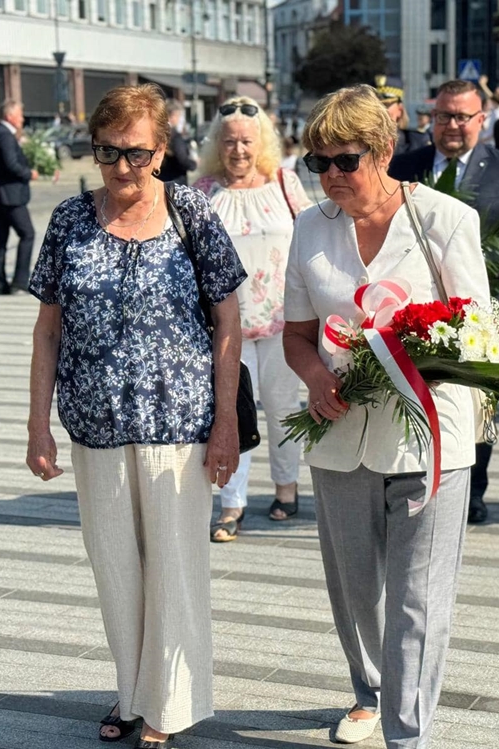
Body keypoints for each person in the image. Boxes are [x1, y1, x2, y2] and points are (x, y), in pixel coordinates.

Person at [25, 84, 246, 748]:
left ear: (162, 149)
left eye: (137, 153)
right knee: (116, 567)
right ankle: (131, 691)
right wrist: (37, 424)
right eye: (108, 152)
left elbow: (229, 321)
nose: (122, 167)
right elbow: (47, 330)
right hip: (94, 426)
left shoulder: (189, 211)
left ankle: (165, 707)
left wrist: (226, 423)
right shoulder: (70, 219)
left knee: (174, 567)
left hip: (178, 424)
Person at [284, 84, 490, 747]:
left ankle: (408, 734)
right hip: (339, 435)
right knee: (356, 592)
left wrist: (415, 358)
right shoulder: (310, 227)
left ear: (383, 151)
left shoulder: (445, 220)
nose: (331, 175)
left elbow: (477, 333)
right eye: (319, 162)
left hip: (432, 436)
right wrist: (317, 376)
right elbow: (297, 334)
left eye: (345, 160)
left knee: (418, 599)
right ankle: (369, 691)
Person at [389, 78, 499, 526]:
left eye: (462, 117)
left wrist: (479, 255)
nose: (453, 125)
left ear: (482, 119)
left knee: (478, 402)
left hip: (486, 305)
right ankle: (414, 482)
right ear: (432, 119)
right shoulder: (405, 166)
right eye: (444, 116)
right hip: (418, 309)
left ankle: (473, 492)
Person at [193, 95, 311, 540]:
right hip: (227, 327)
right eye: (229, 142)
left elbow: (310, 238)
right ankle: (232, 503)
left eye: (246, 141)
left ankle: (286, 488)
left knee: (283, 409)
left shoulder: (284, 182)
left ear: (261, 143)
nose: (238, 150)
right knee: (233, 412)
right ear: (216, 144)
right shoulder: (203, 191)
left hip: (284, 322)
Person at [0, 100, 38, 295]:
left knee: (0, 238)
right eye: (20, 115)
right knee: (27, 233)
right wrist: (29, 174)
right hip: (9, 196)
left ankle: (1, 283)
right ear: (10, 116)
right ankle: (19, 281)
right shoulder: (4, 135)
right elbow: (11, 164)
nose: (22, 119)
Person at [375, 75, 424, 155]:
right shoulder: (359, 143)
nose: (380, 110)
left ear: (400, 110)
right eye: (375, 106)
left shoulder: (415, 144)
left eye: (386, 105)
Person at [159, 99, 198, 184]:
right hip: (175, 181)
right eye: (179, 116)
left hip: (160, 179)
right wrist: (194, 164)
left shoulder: (157, 133)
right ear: (172, 116)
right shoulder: (175, 136)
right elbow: (182, 159)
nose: (179, 119)